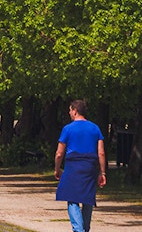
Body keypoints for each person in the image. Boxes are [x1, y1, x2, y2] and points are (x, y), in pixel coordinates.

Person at [54, 99, 106, 232]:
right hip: (90, 166)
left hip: (73, 166)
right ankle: (85, 228)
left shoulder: (68, 129)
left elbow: (59, 153)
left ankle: (78, 229)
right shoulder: (95, 128)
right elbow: (101, 152)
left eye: (70, 110)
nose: (69, 112)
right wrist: (102, 172)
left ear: (75, 111)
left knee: (72, 197)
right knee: (87, 197)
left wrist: (57, 168)